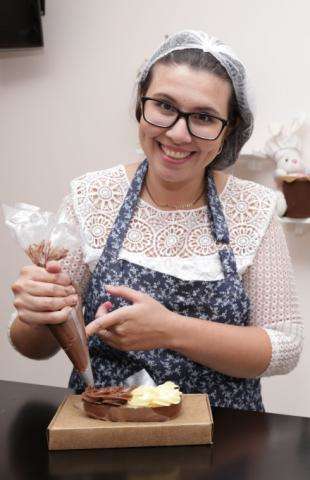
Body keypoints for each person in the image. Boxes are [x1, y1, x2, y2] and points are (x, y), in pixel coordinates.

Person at [9, 30, 303, 411]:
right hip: (106, 433)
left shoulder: (255, 209)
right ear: (140, 105)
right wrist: (36, 313)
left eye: (203, 116)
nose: (178, 133)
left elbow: (285, 347)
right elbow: (35, 346)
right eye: (164, 106)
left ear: (227, 129)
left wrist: (171, 330)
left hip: (227, 442)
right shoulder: (92, 197)